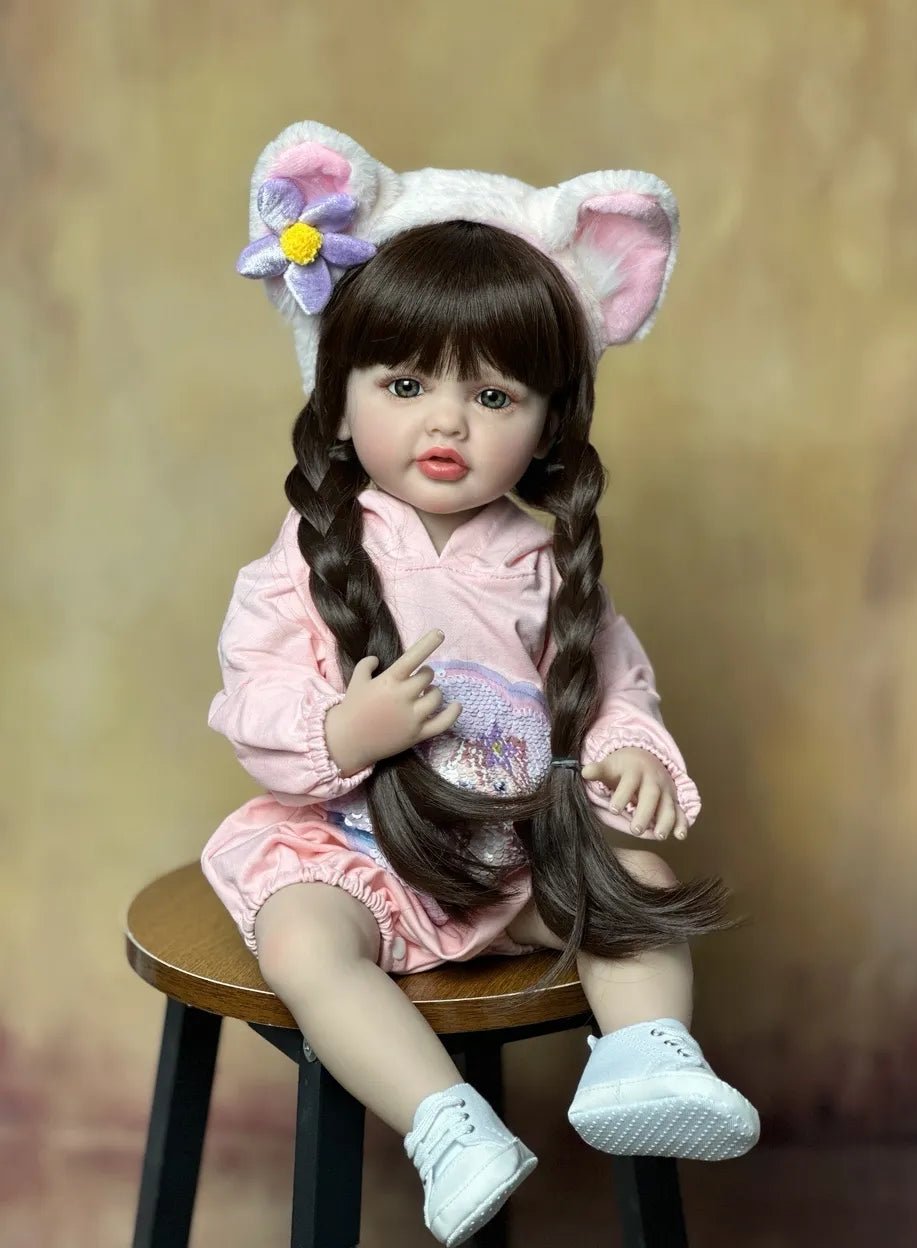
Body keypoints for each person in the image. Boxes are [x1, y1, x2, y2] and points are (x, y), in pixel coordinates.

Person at [202, 120, 760, 1247]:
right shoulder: (310, 555)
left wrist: (633, 754)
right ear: (340, 389)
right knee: (305, 941)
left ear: (552, 421)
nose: (447, 421)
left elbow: (615, 687)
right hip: (362, 851)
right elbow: (249, 700)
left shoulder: (547, 563)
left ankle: (644, 1060)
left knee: (636, 877)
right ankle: (447, 1126)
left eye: (496, 397)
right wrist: (342, 727)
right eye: (405, 382)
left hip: (520, 850)